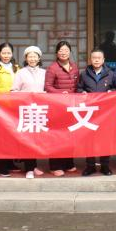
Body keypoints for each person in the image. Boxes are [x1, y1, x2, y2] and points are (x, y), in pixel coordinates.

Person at [79, 48, 116, 176]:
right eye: (94, 58)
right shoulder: (84, 74)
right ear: (90, 59)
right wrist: (82, 92)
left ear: (103, 60)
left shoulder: (111, 74)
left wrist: (111, 92)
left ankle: (105, 165)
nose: (96, 60)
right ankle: (90, 165)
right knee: (89, 139)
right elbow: (79, 88)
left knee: (105, 139)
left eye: (99, 58)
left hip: (106, 113)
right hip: (90, 112)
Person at [44, 40, 80, 176]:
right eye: (61, 50)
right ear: (56, 53)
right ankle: (55, 166)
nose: (63, 53)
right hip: (57, 107)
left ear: (70, 52)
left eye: (66, 50)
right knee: (57, 136)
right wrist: (61, 93)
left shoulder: (74, 67)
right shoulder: (52, 68)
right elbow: (48, 87)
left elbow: (77, 85)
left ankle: (68, 163)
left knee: (70, 135)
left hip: (71, 106)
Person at [12, 45, 47, 179]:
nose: (32, 59)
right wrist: (25, 96)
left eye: (35, 56)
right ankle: (29, 169)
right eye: (29, 56)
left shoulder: (44, 72)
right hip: (26, 110)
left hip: (40, 111)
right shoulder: (20, 73)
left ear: (39, 58)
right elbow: (14, 90)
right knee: (27, 140)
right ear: (26, 58)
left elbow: (48, 89)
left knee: (37, 140)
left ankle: (34, 165)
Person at [0, 42, 20, 177]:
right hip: (1, 107)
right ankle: (1, 166)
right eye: (4, 53)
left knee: (12, 136)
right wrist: (9, 94)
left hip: (15, 107)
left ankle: (10, 162)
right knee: (1, 138)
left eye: (8, 53)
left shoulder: (17, 68)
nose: (6, 55)